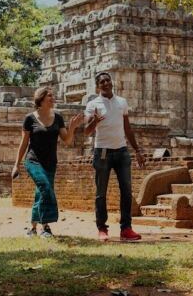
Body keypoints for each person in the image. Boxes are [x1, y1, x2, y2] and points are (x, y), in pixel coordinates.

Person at [11, 86, 84, 238]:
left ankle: (32, 228)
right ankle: (46, 226)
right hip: (33, 161)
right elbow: (24, 143)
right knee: (45, 188)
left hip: (50, 163)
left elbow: (67, 141)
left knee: (40, 194)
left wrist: (73, 128)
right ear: (41, 99)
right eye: (49, 96)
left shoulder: (58, 117)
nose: (53, 98)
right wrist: (16, 164)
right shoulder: (29, 119)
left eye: (53, 95)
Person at [85, 72, 146, 242]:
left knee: (126, 191)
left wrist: (137, 150)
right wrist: (94, 121)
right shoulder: (92, 104)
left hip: (122, 151)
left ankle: (126, 228)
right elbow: (86, 131)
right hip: (102, 152)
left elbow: (128, 129)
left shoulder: (122, 102)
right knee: (101, 193)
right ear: (98, 86)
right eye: (102, 82)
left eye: (107, 80)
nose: (105, 83)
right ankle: (102, 228)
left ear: (111, 83)